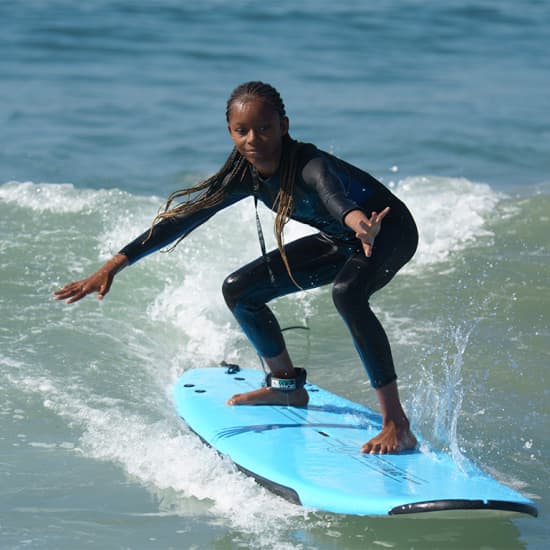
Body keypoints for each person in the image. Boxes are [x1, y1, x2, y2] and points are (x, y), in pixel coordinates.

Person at [54, 81, 418, 454]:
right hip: (341, 241)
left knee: (348, 294)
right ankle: (286, 388)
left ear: (284, 126)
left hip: (387, 233)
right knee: (240, 291)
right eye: (241, 130)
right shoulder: (244, 176)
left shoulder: (311, 165)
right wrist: (115, 264)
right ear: (230, 131)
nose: (252, 139)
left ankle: (397, 424)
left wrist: (359, 224)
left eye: (264, 128)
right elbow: (181, 219)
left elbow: (333, 196)